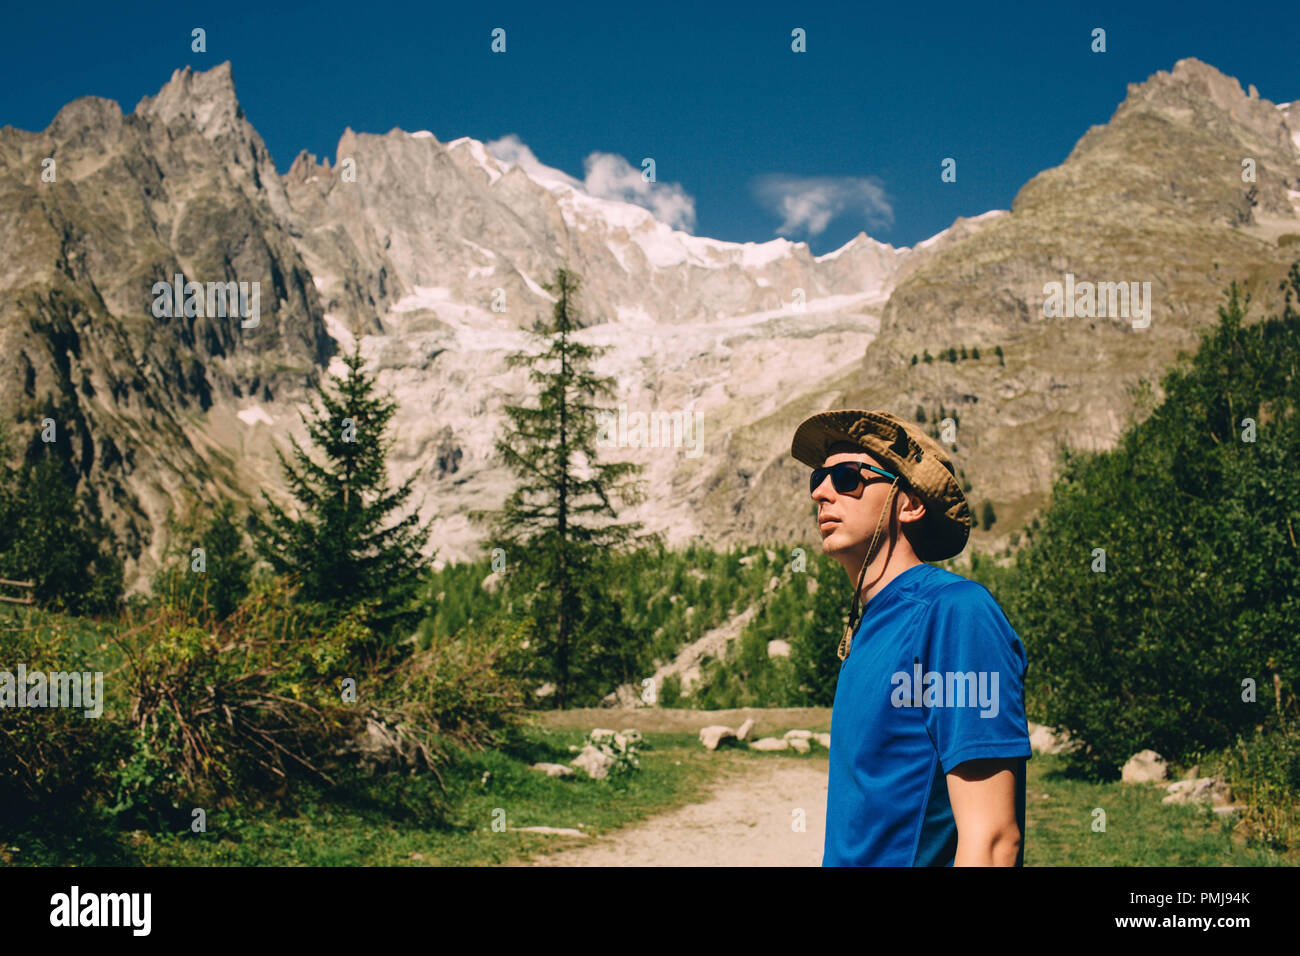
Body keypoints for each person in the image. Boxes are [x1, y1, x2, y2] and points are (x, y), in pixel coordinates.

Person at [790, 409, 1031, 866]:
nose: (821, 492)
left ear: (910, 503)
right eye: (818, 479)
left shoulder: (955, 615)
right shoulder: (870, 627)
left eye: (847, 477)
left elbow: (995, 842)